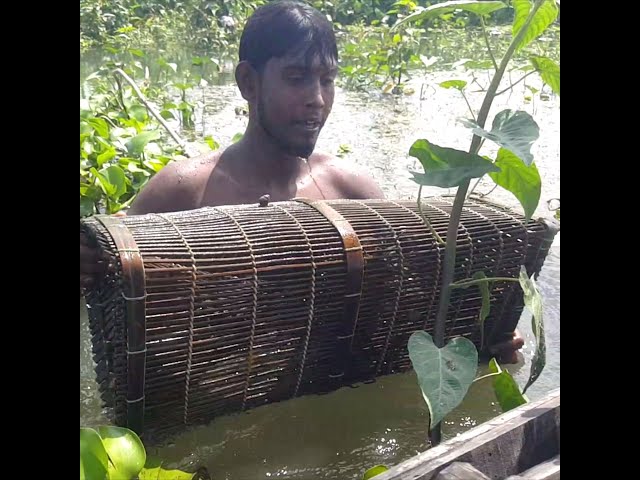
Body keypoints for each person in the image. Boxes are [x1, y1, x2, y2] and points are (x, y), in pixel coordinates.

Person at [80, 0, 523, 362]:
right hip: (214, 388)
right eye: (296, 78)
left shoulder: (353, 193)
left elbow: (401, 314)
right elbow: (112, 268)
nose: (317, 100)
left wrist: (482, 346)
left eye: (327, 80)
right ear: (248, 82)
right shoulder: (184, 190)